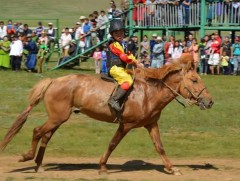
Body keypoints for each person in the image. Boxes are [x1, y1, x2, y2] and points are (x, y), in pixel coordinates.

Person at [107, 19, 139, 113]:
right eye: (116, 33)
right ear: (112, 34)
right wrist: (133, 62)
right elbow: (124, 57)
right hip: (114, 68)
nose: (119, 35)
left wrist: (137, 62)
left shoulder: (123, 44)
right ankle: (114, 99)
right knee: (128, 80)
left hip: (122, 68)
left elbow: (129, 54)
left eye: (121, 33)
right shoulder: (114, 45)